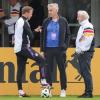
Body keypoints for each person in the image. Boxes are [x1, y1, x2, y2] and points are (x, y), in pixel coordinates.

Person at [38, 3, 70, 97]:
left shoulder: (63, 21)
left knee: (62, 70)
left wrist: (65, 46)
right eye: (48, 10)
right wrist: (42, 49)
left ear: (56, 10)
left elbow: (68, 35)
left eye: (51, 10)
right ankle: (48, 91)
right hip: (48, 49)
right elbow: (42, 36)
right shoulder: (46, 21)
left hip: (60, 49)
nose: (49, 12)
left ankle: (63, 89)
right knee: (48, 70)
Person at [14, 6, 47, 97]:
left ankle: (20, 92)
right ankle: (43, 80)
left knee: (20, 70)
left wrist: (33, 31)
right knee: (42, 60)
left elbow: (25, 34)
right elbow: (31, 37)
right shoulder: (24, 22)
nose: (32, 15)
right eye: (31, 13)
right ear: (27, 13)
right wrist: (37, 31)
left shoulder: (19, 21)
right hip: (24, 47)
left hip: (17, 49)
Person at [76, 10, 95, 98]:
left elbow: (87, 39)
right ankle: (87, 91)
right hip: (83, 52)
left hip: (85, 52)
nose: (77, 18)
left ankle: (89, 92)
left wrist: (82, 50)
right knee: (84, 72)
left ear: (83, 17)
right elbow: (82, 39)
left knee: (86, 72)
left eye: (78, 16)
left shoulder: (88, 26)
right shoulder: (83, 26)